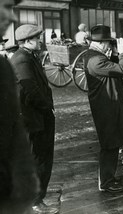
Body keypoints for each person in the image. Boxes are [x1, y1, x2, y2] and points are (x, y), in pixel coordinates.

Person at [11, 24, 58, 214]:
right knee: (38, 160)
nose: (40, 41)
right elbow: (31, 90)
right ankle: (35, 202)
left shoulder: (28, 56)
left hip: (37, 118)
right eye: (37, 38)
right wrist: (47, 107)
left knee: (40, 158)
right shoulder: (22, 59)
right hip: (34, 120)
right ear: (27, 41)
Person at [84, 25, 123, 193]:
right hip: (105, 107)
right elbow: (121, 70)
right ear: (102, 43)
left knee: (112, 142)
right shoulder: (96, 60)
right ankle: (106, 181)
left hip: (108, 105)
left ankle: (108, 178)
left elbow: (113, 66)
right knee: (109, 144)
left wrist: (115, 54)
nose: (110, 46)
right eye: (108, 43)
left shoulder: (96, 56)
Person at [0, 1, 39, 213]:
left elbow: (13, 131)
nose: (12, 17)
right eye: (4, 7)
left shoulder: (3, 66)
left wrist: (24, 192)